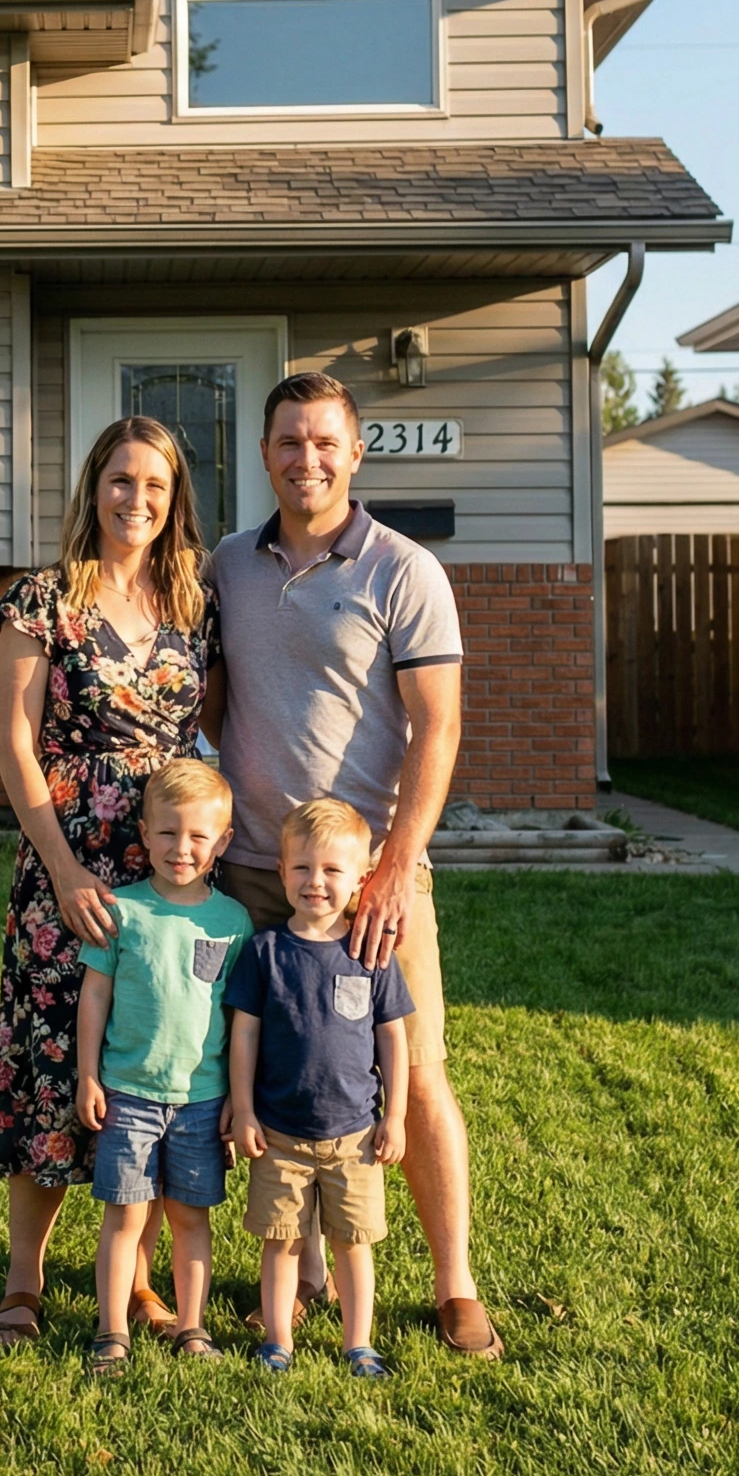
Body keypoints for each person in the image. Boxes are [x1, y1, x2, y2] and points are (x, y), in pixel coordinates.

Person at [208, 370, 503, 1359]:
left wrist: (391, 866)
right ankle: (292, 1270)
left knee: (410, 1075)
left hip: (372, 877)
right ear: (263, 453)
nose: (306, 458)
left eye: (324, 441)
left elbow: (439, 727)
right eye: (288, 440)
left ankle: (454, 1280)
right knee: (263, 1069)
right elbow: (212, 698)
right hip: (248, 872)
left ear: (354, 449)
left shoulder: (401, 568)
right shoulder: (226, 565)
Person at [0, 416, 220, 1350]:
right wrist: (65, 866)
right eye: (121, 480)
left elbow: (215, 732)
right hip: (68, 866)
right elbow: (12, 742)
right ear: (94, 488)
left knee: (158, 1059)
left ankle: (143, 1277)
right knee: (52, 1064)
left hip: (169, 866)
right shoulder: (42, 601)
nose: (137, 500)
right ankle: (25, 1279)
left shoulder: (193, 605)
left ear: (174, 500)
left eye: (155, 485)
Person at [75, 758, 251, 1376]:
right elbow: (94, 997)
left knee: (189, 1217)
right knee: (124, 1215)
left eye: (199, 836)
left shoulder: (232, 921)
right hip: (128, 1093)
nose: (183, 848)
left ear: (222, 842)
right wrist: (88, 1075)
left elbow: (238, 1016)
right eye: (169, 833)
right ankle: (112, 1328)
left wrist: (236, 1094)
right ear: (145, 834)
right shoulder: (120, 911)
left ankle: (192, 1323)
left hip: (203, 1099)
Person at [225, 798, 412, 1378]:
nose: (316, 882)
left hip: (355, 1135)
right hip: (278, 1134)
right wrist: (245, 1111)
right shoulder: (265, 953)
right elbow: (245, 1039)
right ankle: (277, 1341)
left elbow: (393, 1043)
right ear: (281, 872)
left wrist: (396, 1116)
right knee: (280, 1241)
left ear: (360, 878)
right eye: (302, 868)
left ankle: (359, 1344)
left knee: (354, 1244)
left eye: (332, 871)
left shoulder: (371, 953)